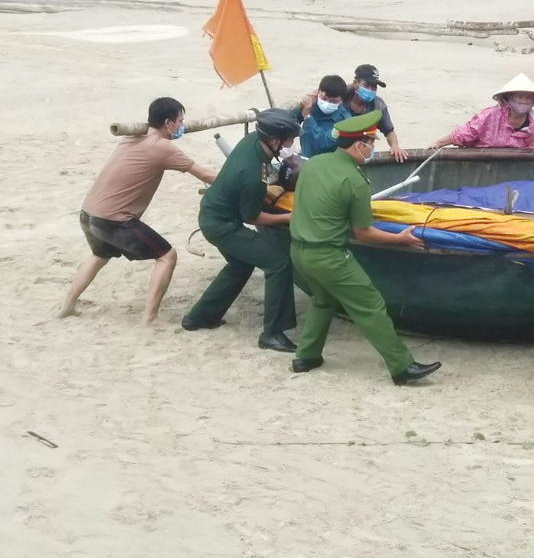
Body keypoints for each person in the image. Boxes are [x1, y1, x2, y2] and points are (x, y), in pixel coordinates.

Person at [289, 110, 442, 384]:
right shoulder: (355, 181)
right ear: (359, 145)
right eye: (371, 143)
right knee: (370, 305)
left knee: (323, 301)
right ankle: (402, 367)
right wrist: (401, 238)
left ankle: (306, 356)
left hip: (298, 252)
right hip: (329, 257)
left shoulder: (313, 164)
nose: (372, 149)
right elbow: (363, 231)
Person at [58, 97, 216, 326]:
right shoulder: (162, 147)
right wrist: (238, 178)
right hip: (114, 221)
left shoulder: (130, 138)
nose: (182, 125)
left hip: (88, 213)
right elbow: (203, 174)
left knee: (99, 256)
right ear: (168, 123)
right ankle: (149, 318)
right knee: (167, 256)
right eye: (180, 121)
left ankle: (68, 305)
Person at [182, 108, 305, 352]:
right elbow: (254, 217)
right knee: (278, 262)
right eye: (290, 140)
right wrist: (291, 216)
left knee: (240, 264)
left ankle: (200, 316)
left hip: (212, 215)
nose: (292, 145)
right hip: (223, 226)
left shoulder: (253, 141)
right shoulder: (251, 174)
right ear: (274, 140)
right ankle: (273, 333)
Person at [428, 73, 534, 149]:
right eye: (519, 97)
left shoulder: (532, 124)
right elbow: (465, 133)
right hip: (482, 160)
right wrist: (438, 143)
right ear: (509, 98)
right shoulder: (490, 115)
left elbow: (530, 147)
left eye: (528, 98)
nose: (523, 101)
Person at [343, 64, 407, 162]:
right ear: (356, 83)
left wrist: (395, 146)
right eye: (366, 86)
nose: (370, 90)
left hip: (363, 150)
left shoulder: (378, 106)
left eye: (374, 87)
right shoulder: (340, 98)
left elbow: (389, 131)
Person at [297, 74, 352, 158]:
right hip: (305, 158)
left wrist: (308, 117)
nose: (327, 103)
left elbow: (324, 142)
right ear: (318, 92)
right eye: (324, 98)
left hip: (327, 164)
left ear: (341, 100)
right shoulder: (311, 106)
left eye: (333, 101)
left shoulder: (344, 120)